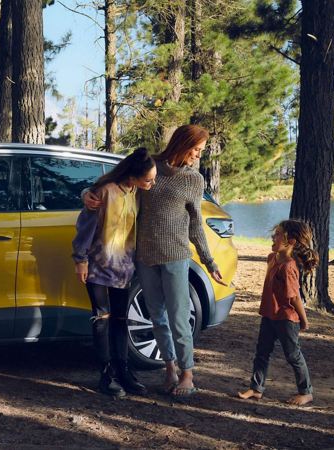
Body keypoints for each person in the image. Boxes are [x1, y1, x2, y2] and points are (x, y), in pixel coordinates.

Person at [84, 124, 223, 398]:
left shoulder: (193, 180)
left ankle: (187, 374)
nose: (198, 155)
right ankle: (169, 369)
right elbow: (115, 183)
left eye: (200, 151)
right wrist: (86, 194)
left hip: (176, 257)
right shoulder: (150, 167)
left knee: (179, 318)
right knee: (157, 316)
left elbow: (196, 224)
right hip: (145, 257)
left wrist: (209, 261)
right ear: (182, 144)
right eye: (196, 149)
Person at [72, 147, 157, 398]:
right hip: (97, 265)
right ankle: (106, 375)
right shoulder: (104, 192)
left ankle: (123, 370)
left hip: (123, 267)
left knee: (121, 320)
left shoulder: (136, 192)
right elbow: (85, 226)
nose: (152, 183)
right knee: (102, 319)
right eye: (148, 179)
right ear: (132, 176)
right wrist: (80, 259)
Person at [238, 219, 317, 406]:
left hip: (286, 319)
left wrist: (304, 321)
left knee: (293, 355)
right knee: (262, 352)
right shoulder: (271, 258)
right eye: (274, 233)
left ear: (291, 242)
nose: (273, 237)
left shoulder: (289, 266)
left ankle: (306, 392)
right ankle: (256, 389)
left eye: (279, 234)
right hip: (269, 315)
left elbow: (295, 297)